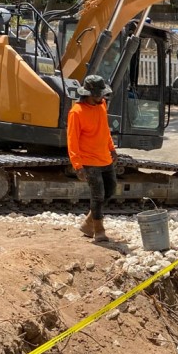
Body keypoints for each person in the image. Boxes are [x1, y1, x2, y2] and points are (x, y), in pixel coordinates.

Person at [67, 75, 117, 243]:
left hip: (105, 157)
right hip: (89, 161)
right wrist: (77, 165)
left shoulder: (101, 105)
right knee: (98, 195)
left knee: (110, 190)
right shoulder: (76, 112)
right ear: (88, 94)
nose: (101, 97)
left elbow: (105, 129)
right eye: (98, 95)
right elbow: (72, 140)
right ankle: (98, 229)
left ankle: (88, 222)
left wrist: (112, 148)